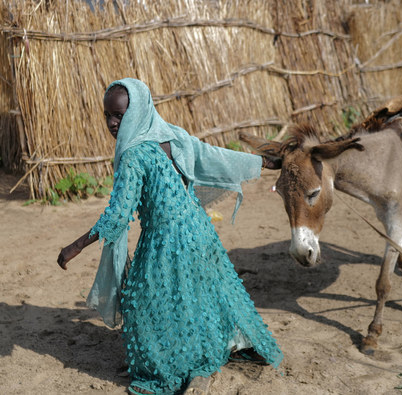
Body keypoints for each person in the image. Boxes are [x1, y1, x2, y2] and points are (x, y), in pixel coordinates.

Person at [57, 78, 282, 395]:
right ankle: (235, 341)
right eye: (107, 114)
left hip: (166, 242)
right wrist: (265, 162)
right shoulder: (174, 136)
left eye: (119, 115)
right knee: (204, 294)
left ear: (138, 110)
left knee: (143, 304)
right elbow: (214, 156)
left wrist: (75, 246)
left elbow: (119, 215)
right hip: (200, 232)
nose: (112, 122)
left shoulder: (134, 155)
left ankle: (176, 363)